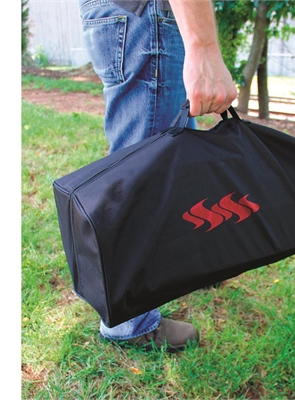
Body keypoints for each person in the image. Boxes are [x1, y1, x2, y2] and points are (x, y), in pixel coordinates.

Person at [78, 0, 237, 352]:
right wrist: (203, 47)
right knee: (143, 173)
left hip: (128, 14)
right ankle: (130, 322)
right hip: (147, 16)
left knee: (174, 159)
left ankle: (189, 266)